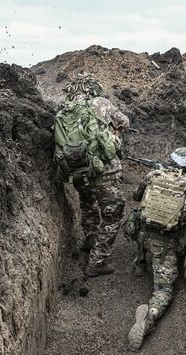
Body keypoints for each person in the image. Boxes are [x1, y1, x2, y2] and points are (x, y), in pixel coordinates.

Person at [54, 73, 129, 277]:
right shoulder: (101, 103)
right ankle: (97, 261)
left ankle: (89, 238)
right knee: (113, 215)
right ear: (93, 88)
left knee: (87, 201)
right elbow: (125, 122)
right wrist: (113, 135)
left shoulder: (65, 110)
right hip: (105, 173)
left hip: (77, 171)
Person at [125, 147, 186, 350]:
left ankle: (140, 262)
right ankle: (150, 316)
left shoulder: (153, 175)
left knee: (138, 217)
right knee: (164, 290)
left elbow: (136, 197)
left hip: (142, 235)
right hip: (163, 245)